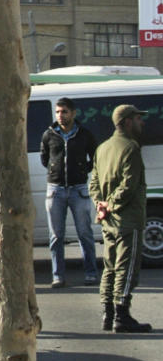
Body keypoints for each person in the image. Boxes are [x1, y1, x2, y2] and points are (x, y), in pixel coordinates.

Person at [90, 104, 152, 333]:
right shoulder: (131, 148)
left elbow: (93, 182)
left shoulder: (103, 148)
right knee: (126, 268)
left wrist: (100, 204)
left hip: (108, 220)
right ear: (127, 121)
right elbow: (129, 185)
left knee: (109, 267)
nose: (141, 122)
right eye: (138, 118)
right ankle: (122, 315)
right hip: (127, 218)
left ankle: (107, 314)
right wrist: (112, 204)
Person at [40, 97, 99, 288]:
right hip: (55, 190)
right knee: (56, 235)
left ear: (73, 113)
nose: (60, 115)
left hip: (78, 189)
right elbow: (45, 158)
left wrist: (84, 170)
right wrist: (54, 170)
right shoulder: (49, 135)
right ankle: (58, 275)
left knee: (84, 233)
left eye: (64, 111)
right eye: (58, 112)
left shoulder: (84, 134)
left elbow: (95, 156)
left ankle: (91, 273)